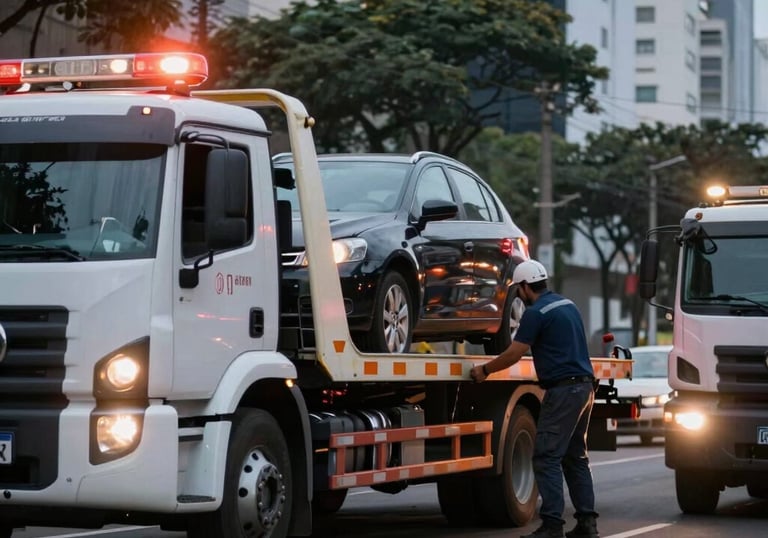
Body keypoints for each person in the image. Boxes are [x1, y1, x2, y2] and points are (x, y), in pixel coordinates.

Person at [470, 259, 599, 538]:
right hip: (585, 388)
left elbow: (515, 352)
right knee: (575, 457)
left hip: (563, 391)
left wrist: (485, 370)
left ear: (526, 286)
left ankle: (553, 526)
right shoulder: (568, 305)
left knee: (545, 457)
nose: (518, 294)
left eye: (518, 289)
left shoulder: (536, 313)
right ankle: (587, 524)